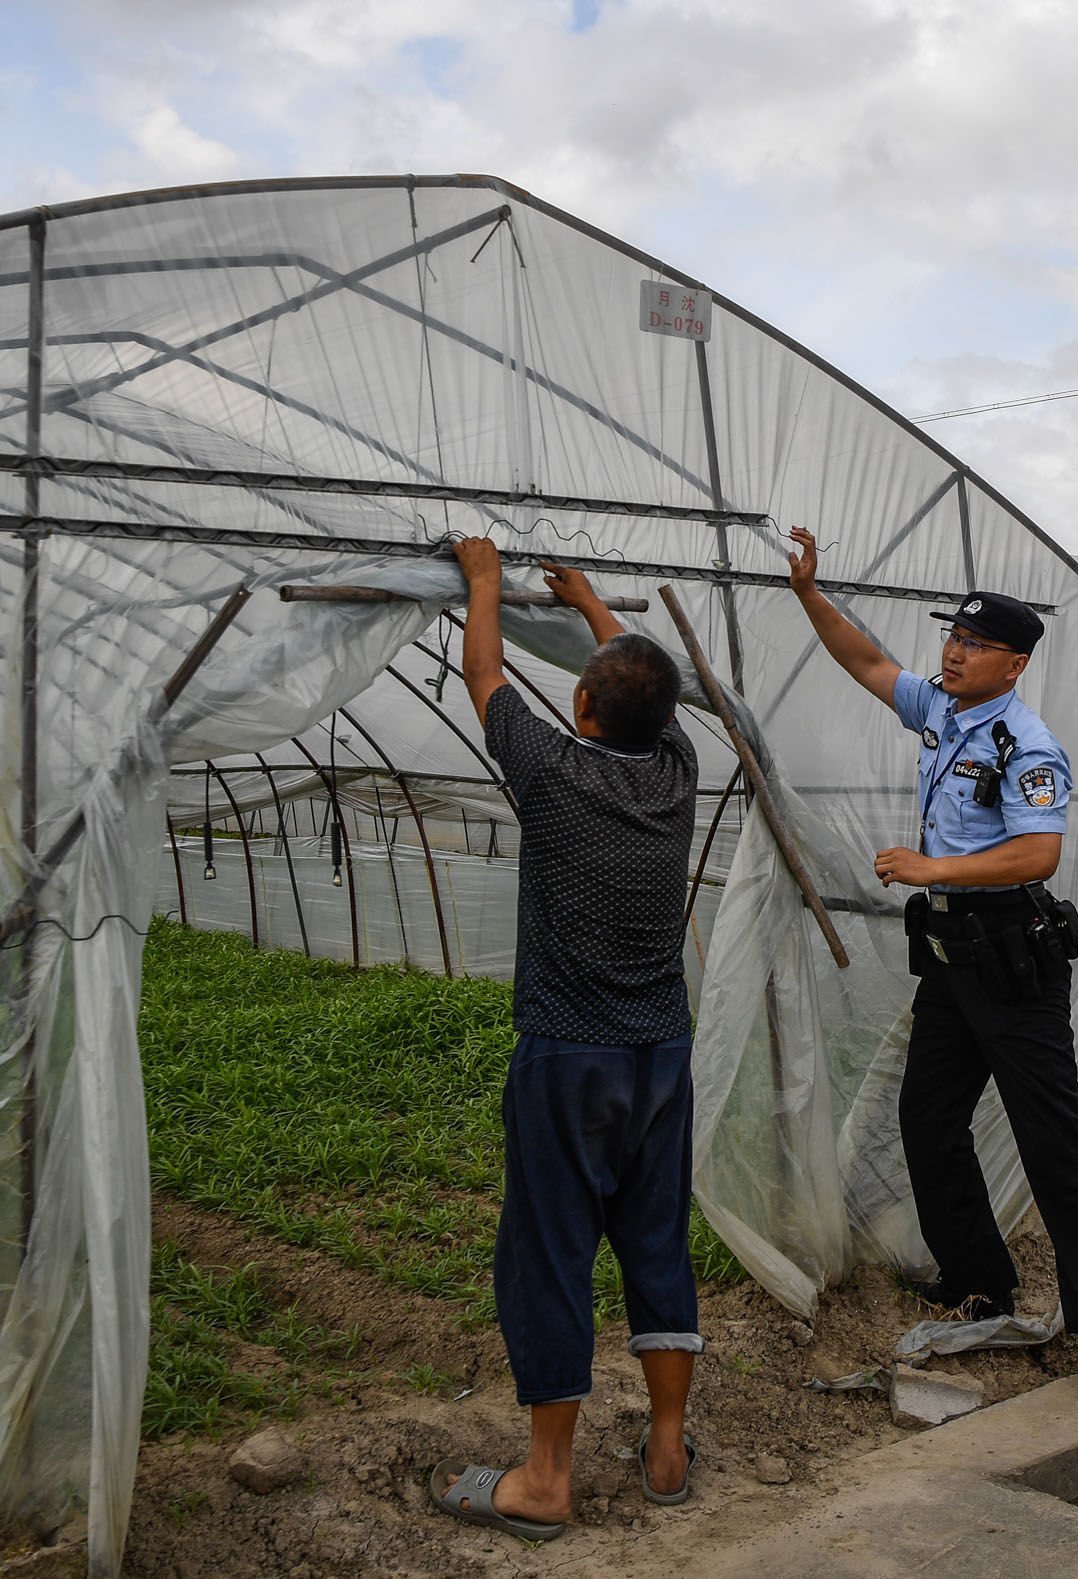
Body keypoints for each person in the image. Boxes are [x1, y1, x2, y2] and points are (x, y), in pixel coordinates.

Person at [784, 527, 1078, 1404]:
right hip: (950, 957)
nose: (953, 651)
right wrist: (808, 594)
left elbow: (1036, 856)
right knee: (927, 1116)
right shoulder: (944, 709)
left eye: (975, 644)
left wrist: (931, 869)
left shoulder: (1028, 745)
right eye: (952, 636)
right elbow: (869, 664)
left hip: (1012, 960)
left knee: (1053, 1139)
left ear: (1014, 664)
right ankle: (978, 1277)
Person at [430, 538, 706, 1542]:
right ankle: (666, 1446)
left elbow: (483, 672)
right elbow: (632, 684)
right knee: (654, 1235)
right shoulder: (679, 773)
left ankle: (546, 1479)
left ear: (583, 710)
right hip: (661, 1052)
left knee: (549, 1249)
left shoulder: (549, 772)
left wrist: (485, 580)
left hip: (566, 1052)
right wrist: (591, 602)